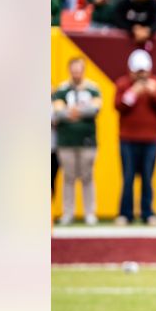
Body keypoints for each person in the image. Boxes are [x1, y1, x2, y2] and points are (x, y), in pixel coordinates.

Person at [113, 49, 156, 225]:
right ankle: (125, 213)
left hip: (151, 138)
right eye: (138, 71)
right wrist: (133, 92)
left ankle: (148, 212)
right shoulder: (123, 84)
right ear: (131, 70)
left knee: (147, 177)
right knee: (128, 177)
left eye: (144, 71)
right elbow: (118, 106)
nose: (141, 75)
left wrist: (153, 94)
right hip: (128, 138)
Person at [52, 57, 102, 225]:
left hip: (87, 140)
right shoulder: (62, 89)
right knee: (69, 177)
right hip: (66, 141)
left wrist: (72, 111)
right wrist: (79, 112)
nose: (76, 73)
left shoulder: (92, 88)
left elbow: (94, 109)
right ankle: (68, 212)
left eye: (79, 70)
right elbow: (58, 112)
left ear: (83, 70)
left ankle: (90, 212)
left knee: (87, 177)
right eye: (73, 70)